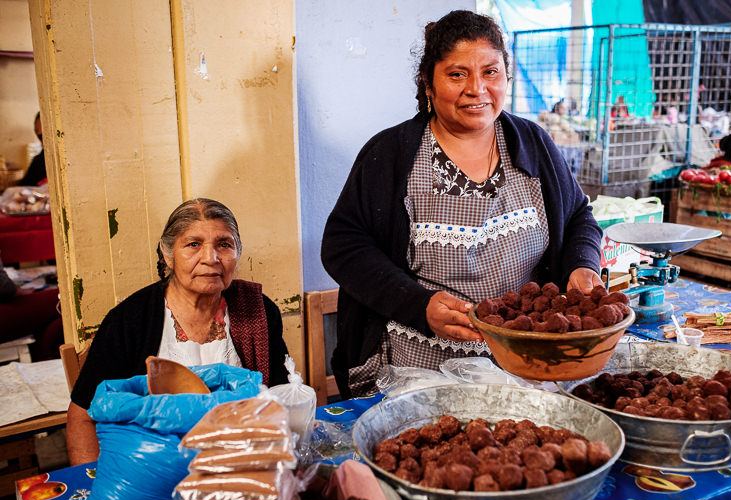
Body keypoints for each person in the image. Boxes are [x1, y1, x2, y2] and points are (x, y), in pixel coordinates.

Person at [321, 10, 602, 399]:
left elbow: (579, 217)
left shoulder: (533, 144)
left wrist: (583, 264)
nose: (477, 89)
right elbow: (343, 246)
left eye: (490, 72)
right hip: (417, 375)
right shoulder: (391, 155)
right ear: (428, 83)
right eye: (457, 75)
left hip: (525, 367)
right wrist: (419, 305)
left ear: (507, 77)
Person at [67, 198, 290, 465]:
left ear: (237, 253)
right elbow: (83, 416)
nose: (210, 258)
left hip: (242, 461)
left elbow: (282, 395)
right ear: (169, 256)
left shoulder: (258, 310)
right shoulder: (130, 320)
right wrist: (91, 478)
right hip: (152, 467)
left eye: (224, 244)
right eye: (193, 244)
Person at [19, 112, 47, 187]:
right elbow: (25, 185)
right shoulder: (39, 160)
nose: (40, 134)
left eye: (44, 131)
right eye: (38, 132)